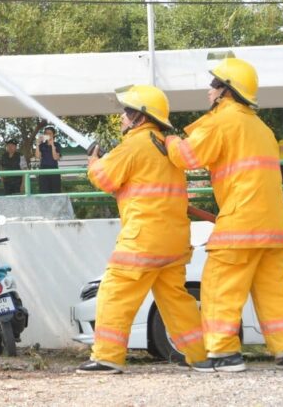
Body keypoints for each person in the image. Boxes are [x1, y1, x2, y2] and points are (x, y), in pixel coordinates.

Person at [163, 55, 283, 373]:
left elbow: (188, 156)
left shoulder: (222, 121)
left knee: (220, 287)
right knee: (275, 292)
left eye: (214, 85)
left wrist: (168, 140)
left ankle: (225, 353)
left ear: (226, 91)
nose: (209, 91)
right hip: (273, 228)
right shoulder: (263, 129)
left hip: (240, 224)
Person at [78, 85, 207, 374]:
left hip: (143, 240)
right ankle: (200, 356)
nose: (122, 118)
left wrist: (93, 162)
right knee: (176, 300)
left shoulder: (134, 145)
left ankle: (107, 357)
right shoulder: (166, 146)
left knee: (114, 292)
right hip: (173, 242)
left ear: (140, 117)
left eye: (127, 112)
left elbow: (104, 178)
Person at [37, 126, 62, 194]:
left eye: (50, 133)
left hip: (54, 170)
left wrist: (52, 145)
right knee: (44, 192)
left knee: (56, 192)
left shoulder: (57, 145)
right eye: (46, 133)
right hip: (43, 170)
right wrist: (37, 144)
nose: (48, 135)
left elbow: (55, 158)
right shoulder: (42, 145)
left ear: (53, 135)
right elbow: (37, 156)